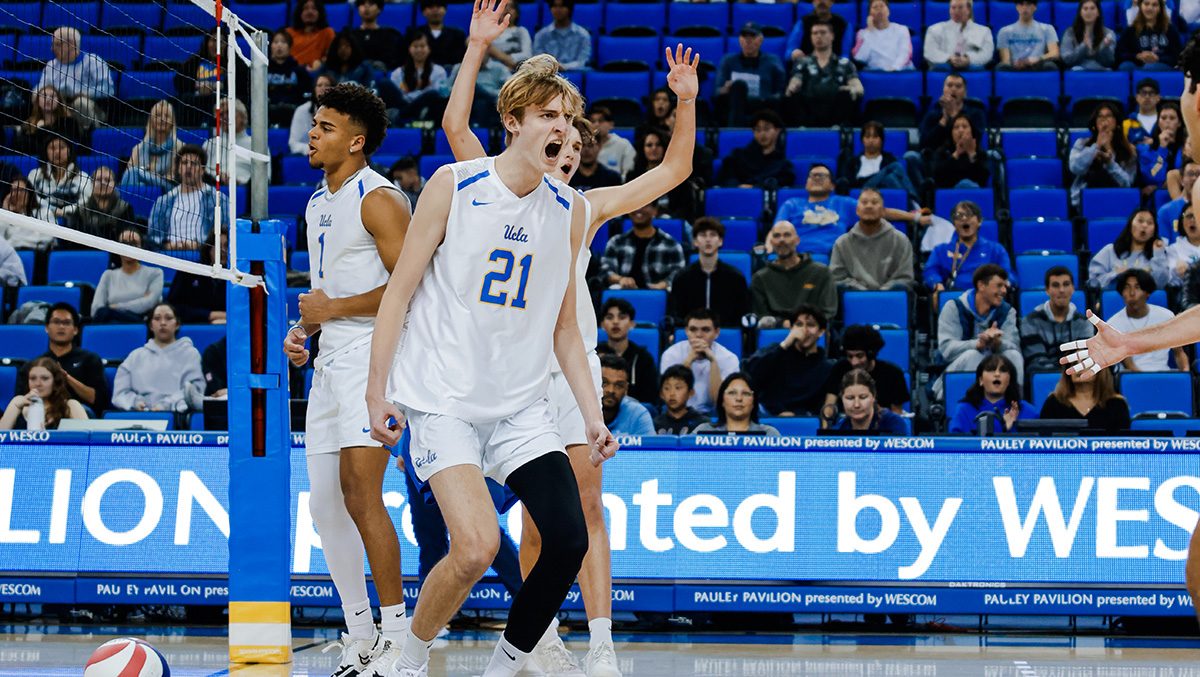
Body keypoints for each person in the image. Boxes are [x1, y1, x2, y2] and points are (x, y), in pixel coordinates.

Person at [440, 26, 699, 674]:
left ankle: (603, 642)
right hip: (516, 371)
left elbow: (674, 169)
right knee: (536, 522)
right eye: (558, 135)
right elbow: (455, 125)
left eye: (577, 142)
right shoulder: (489, 186)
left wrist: (686, 100)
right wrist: (476, 50)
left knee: (587, 506)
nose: (568, 145)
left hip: (572, 365)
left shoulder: (584, 207)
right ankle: (541, 636)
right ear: (531, 135)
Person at [364, 47, 619, 677]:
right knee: (475, 546)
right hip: (444, 398)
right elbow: (399, 292)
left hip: (520, 406)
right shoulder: (457, 184)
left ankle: (504, 666)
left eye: (567, 117)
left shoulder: (569, 212)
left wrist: (591, 416)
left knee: (566, 540)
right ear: (512, 120)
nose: (560, 127)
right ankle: (411, 653)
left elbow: (564, 329)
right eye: (547, 115)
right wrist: (376, 393)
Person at [280, 83, 414, 676]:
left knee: (362, 496)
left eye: (326, 127)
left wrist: (331, 312)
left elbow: (411, 289)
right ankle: (358, 633)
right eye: (315, 123)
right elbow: (326, 293)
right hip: (331, 361)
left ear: (357, 141)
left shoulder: (379, 198)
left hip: (372, 363)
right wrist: (303, 329)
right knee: (324, 507)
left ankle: (397, 632)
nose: (313, 133)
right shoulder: (316, 203)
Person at [936, 264, 1024, 396]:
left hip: (995, 367)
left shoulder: (1007, 311)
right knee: (974, 355)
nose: (1004, 290)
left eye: (1005, 286)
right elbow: (946, 350)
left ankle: (1014, 405)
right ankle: (968, 407)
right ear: (981, 286)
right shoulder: (953, 307)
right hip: (953, 372)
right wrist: (977, 344)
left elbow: (1015, 346)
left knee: (1014, 356)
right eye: (999, 285)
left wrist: (998, 344)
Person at [112, 303, 205, 414]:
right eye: (157, 318)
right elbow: (120, 393)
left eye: (169, 318)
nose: (163, 323)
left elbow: (194, 392)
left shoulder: (191, 354)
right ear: (151, 325)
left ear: (177, 324)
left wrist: (166, 405)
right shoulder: (135, 356)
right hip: (139, 417)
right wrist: (135, 403)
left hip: (177, 419)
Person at [14, 303, 107, 413]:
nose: (61, 327)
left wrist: (67, 378)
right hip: (40, 412)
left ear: (76, 330)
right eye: (56, 322)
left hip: (78, 415)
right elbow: (21, 400)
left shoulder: (90, 360)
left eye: (66, 323)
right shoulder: (34, 365)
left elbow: (98, 400)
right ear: (47, 328)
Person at [745, 304, 834, 417]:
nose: (804, 330)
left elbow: (820, 406)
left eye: (810, 325)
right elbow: (751, 376)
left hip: (805, 422)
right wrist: (785, 344)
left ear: (821, 331)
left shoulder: (826, 367)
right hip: (769, 417)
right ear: (791, 328)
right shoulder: (776, 351)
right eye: (799, 324)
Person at [751, 221, 838, 325]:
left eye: (787, 235)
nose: (782, 240)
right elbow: (761, 316)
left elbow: (828, 310)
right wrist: (782, 323)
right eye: (776, 236)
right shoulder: (760, 278)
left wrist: (802, 324)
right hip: (775, 332)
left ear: (797, 240)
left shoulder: (821, 273)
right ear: (772, 242)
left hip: (812, 331)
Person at [668, 217, 751, 325]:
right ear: (695, 242)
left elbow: (742, 315)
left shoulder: (736, 278)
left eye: (712, 235)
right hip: (691, 336)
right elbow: (676, 314)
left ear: (720, 241)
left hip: (726, 335)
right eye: (703, 235)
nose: (708, 239)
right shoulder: (682, 277)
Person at [829, 189, 915, 291]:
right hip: (854, 298)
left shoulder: (901, 240)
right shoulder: (842, 243)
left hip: (891, 299)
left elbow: (904, 277)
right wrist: (862, 292)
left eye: (874, 202)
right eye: (864, 202)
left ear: (883, 211)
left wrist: (880, 294)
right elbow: (837, 277)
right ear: (857, 210)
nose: (869, 206)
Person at [783, 20, 863, 128]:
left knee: (847, 96)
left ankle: (838, 128)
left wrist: (854, 89)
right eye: (815, 33)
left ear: (832, 36)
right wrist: (793, 86)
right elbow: (795, 80)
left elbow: (858, 87)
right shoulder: (802, 62)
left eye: (823, 32)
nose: (818, 36)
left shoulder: (845, 63)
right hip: (809, 111)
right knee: (792, 96)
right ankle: (802, 129)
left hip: (835, 110)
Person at [660, 309, 740, 416]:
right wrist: (689, 360)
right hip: (679, 412)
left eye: (705, 330)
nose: (698, 335)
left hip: (714, 413)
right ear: (686, 331)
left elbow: (721, 402)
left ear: (716, 333)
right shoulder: (671, 354)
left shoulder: (729, 358)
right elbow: (670, 396)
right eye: (693, 329)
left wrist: (713, 362)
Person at [821, 324, 911, 418]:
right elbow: (829, 406)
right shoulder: (839, 369)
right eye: (850, 356)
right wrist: (825, 427)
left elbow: (896, 414)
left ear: (871, 354)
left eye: (859, 356)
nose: (854, 362)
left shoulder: (893, 374)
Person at [147, 145, 226, 251]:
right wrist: (167, 245)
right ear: (179, 169)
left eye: (194, 164)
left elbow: (224, 233)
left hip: (203, 256)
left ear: (202, 170)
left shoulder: (217, 199)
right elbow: (153, 237)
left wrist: (200, 245)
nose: (189, 167)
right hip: (170, 254)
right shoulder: (163, 201)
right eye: (184, 163)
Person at [1106, 268, 1187, 371]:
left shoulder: (1166, 317)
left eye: (1137, 287)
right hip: (1131, 378)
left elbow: (1179, 353)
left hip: (1163, 374)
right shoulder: (1113, 325)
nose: (1132, 293)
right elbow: (1130, 366)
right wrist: (1147, 380)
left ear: (1147, 293)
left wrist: (1186, 374)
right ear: (1122, 293)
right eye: (1127, 288)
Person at [922, 201, 1012, 293]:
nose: (964, 218)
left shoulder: (996, 250)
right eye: (959, 215)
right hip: (953, 298)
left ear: (979, 221)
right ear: (954, 223)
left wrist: (1005, 282)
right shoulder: (940, 250)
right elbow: (930, 271)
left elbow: (1007, 274)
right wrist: (936, 283)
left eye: (969, 214)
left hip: (986, 297)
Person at [1020, 266, 1095, 377]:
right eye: (1055, 285)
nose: (1061, 290)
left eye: (1066, 284)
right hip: (1045, 376)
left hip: (1075, 376)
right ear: (1047, 290)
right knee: (1034, 368)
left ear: (1073, 288)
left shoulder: (1084, 323)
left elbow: (1082, 356)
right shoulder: (1030, 321)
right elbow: (1036, 358)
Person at [773, 164, 859, 256]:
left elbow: (872, 215)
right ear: (806, 184)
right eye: (813, 176)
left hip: (833, 258)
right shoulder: (792, 204)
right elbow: (775, 231)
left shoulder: (844, 203)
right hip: (796, 257)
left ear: (832, 185)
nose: (817, 178)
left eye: (822, 176)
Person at [35, 27, 113, 128]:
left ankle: (88, 138)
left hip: (90, 107)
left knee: (80, 103)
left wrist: (86, 93)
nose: (52, 48)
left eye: (57, 44)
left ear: (72, 45)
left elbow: (108, 89)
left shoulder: (93, 61)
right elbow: (40, 88)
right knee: (40, 98)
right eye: (53, 44)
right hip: (60, 105)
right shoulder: (51, 65)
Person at [600, 201, 686, 290]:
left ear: (655, 210)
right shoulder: (616, 242)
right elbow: (606, 271)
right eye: (635, 204)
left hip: (657, 298)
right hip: (621, 296)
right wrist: (621, 279)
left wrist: (664, 284)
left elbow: (679, 273)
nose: (639, 209)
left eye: (645, 205)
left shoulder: (671, 244)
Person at [714, 22, 787, 127]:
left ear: (761, 39)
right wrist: (726, 88)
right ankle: (735, 130)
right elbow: (717, 92)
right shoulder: (728, 61)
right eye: (744, 36)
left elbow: (781, 92)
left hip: (764, 106)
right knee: (738, 86)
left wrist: (767, 99)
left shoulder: (773, 61)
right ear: (739, 39)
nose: (748, 40)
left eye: (753, 36)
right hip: (735, 106)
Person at [1069, 103, 1138, 209]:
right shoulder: (1082, 144)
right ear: (1095, 122)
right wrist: (1096, 146)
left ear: (1117, 122)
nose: (1104, 120)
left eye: (1108, 116)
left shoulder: (1129, 150)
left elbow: (1127, 183)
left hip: (1118, 200)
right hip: (1085, 201)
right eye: (1100, 116)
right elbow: (1075, 168)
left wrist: (1110, 162)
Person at [948, 354, 1038, 433]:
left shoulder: (1027, 411)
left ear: (1010, 380)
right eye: (991, 370)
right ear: (981, 380)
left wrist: (1010, 428)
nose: (997, 374)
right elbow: (955, 447)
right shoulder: (964, 410)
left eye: (1003, 370)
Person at [596, 298, 660, 406]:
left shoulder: (643, 358)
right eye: (609, 317)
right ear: (602, 324)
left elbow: (651, 399)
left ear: (632, 324)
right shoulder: (594, 355)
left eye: (622, 317)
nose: (615, 322)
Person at [91, 229, 163, 324]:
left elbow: (149, 303)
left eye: (134, 243)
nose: (129, 247)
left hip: (140, 323)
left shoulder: (155, 273)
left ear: (141, 247)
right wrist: (139, 301)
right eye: (124, 243)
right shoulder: (108, 275)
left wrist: (115, 307)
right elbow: (96, 309)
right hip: (111, 323)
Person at [1088, 209, 1170, 288]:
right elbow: (1094, 283)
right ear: (1130, 224)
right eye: (1140, 221)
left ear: (1154, 231)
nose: (1144, 225)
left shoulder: (1157, 254)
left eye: (1150, 223)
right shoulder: (1110, 250)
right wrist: (1116, 274)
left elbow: (1161, 284)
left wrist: (1158, 254)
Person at [0, 357, 87, 430]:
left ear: (55, 382)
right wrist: (17, 406)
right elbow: (1, 438)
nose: (38, 383)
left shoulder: (71, 406)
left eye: (45, 378)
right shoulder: (18, 402)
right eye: (33, 378)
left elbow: (90, 440)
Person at [717, 109, 794, 189]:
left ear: (777, 130)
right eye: (757, 129)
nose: (762, 134)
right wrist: (738, 186)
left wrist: (754, 188)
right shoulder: (737, 156)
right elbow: (726, 178)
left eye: (766, 129)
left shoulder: (782, 165)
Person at [1039, 368, 1130, 431]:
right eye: (1074, 363)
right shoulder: (1054, 401)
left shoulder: (1117, 404)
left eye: (1085, 363)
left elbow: (1123, 444)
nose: (1078, 368)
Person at [166, 231, 227, 325]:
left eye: (226, 246)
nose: (223, 250)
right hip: (191, 325)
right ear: (209, 248)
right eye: (218, 245)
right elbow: (173, 307)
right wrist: (210, 315)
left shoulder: (238, 279)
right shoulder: (189, 271)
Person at [60, 166, 133, 243]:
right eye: (98, 180)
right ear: (91, 183)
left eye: (107, 180)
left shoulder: (125, 208)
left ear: (114, 184)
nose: (103, 183)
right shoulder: (80, 210)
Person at [693, 373, 781, 435]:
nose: (739, 398)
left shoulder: (768, 434)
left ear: (754, 402)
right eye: (732, 393)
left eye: (746, 394)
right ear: (722, 401)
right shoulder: (703, 432)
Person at [389, 33, 448, 122]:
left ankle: (403, 115)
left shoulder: (439, 71)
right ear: (409, 49)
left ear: (429, 49)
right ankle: (406, 114)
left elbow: (437, 95)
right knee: (385, 84)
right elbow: (397, 96)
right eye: (415, 46)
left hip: (427, 108)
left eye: (422, 46)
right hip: (404, 103)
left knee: (433, 94)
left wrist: (414, 97)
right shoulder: (398, 73)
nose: (419, 50)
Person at [28, 136, 90, 219]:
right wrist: (52, 210)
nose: (57, 152)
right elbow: (30, 197)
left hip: (74, 221)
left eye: (62, 147)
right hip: (41, 219)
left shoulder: (83, 177)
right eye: (52, 148)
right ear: (46, 152)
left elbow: (86, 201)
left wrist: (65, 211)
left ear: (70, 151)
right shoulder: (35, 174)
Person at [120, 100, 178, 189]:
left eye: (166, 116)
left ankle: (125, 201)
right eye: (158, 115)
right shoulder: (138, 148)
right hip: (142, 187)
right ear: (151, 119)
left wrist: (153, 175)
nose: (162, 119)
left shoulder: (179, 146)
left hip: (166, 188)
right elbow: (128, 175)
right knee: (140, 184)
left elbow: (175, 177)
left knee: (134, 173)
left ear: (172, 121)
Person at [14, 84, 85, 157]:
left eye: (52, 96)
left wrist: (43, 129)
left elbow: (66, 145)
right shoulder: (28, 125)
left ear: (59, 101)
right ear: (37, 100)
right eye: (44, 96)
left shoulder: (69, 123)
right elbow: (23, 147)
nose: (48, 99)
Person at [923, 0, 995, 70]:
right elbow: (929, 52)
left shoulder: (984, 31)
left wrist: (968, 59)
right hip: (945, 69)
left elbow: (987, 54)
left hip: (971, 69)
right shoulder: (934, 29)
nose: (956, 11)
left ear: (969, 10)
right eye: (953, 8)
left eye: (960, 7)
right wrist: (949, 58)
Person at [833, 369, 907, 434]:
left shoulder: (894, 423)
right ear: (842, 398)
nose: (856, 405)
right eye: (850, 398)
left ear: (873, 396)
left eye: (863, 397)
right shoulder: (839, 427)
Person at [1137, 101, 1187, 195]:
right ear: (1158, 122)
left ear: (1179, 123)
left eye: (1172, 118)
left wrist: (1165, 185)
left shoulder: (1187, 148)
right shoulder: (1146, 150)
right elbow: (1155, 176)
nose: (1167, 121)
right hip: (1156, 196)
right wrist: (1162, 148)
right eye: (1163, 118)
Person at [1117, 0, 1182, 69]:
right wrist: (1137, 56)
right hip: (1137, 64)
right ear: (1140, 6)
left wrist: (1158, 58)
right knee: (1125, 67)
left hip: (1160, 65)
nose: (1150, 8)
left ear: (1160, 8)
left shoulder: (1171, 30)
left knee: (1149, 67)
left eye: (1154, 5)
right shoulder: (1130, 30)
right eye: (1146, 4)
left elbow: (1177, 56)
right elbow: (1119, 54)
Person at [852, 0, 915, 71]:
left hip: (900, 72)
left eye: (882, 6)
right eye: (875, 7)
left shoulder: (902, 29)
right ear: (869, 13)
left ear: (888, 10)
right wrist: (869, 32)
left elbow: (905, 54)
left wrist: (894, 69)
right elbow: (860, 58)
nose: (879, 9)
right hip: (876, 72)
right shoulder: (863, 33)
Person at [996, 0, 1060, 70]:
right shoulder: (1005, 31)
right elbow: (1006, 60)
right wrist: (1017, 64)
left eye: (1028, 4)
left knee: (1050, 66)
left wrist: (1037, 59)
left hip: (1038, 66)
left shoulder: (1047, 29)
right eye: (1021, 4)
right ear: (1017, 7)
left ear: (1035, 7)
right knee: (1001, 67)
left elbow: (1054, 53)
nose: (1024, 8)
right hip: (1015, 67)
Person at [600, 355, 655, 435]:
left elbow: (649, 447)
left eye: (619, 385)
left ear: (626, 389)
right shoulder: (578, 410)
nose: (611, 390)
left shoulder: (638, 414)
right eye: (604, 383)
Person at [931, 113, 990, 189]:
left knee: (966, 184)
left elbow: (984, 180)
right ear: (951, 133)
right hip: (949, 195)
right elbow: (938, 177)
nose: (961, 130)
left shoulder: (980, 154)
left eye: (965, 127)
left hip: (974, 197)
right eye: (956, 127)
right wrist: (956, 155)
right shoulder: (942, 152)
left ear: (972, 131)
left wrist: (971, 154)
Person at [408, 0, 469, 69]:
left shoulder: (458, 34)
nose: (435, 10)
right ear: (423, 12)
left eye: (439, 6)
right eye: (430, 7)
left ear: (445, 10)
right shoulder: (413, 33)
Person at [0, 176, 56, 249]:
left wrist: (17, 242)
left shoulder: (44, 212)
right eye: (13, 190)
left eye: (21, 190)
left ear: (29, 193)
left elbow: (48, 238)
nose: (17, 194)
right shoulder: (6, 215)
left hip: (39, 256)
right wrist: (5, 212)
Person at [532, 0, 591, 70]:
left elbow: (582, 61)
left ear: (569, 9)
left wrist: (564, 67)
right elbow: (538, 60)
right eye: (554, 6)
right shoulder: (541, 35)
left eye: (562, 6)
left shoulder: (582, 34)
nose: (558, 10)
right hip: (548, 75)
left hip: (574, 74)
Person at [1061, 0, 1118, 70]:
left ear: (1098, 13)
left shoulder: (1109, 34)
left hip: (1102, 70)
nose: (1089, 12)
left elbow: (1109, 62)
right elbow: (1067, 59)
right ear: (1080, 13)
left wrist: (1104, 48)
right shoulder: (1070, 32)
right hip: (1078, 70)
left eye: (1092, 8)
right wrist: (1083, 46)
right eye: (1085, 9)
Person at [653, 365, 708, 435]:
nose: (672, 393)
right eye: (667, 388)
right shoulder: (653, 425)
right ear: (661, 394)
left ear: (691, 392)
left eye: (678, 388)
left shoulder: (703, 424)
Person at [289, 73, 337, 155]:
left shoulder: (340, 112)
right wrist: (315, 149)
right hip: (307, 158)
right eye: (319, 85)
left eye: (327, 85)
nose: (323, 89)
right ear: (314, 89)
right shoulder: (301, 111)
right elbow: (293, 144)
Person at [352, 0, 405, 72]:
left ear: (379, 9)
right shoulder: (351, 35)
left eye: (371, 3)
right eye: (362, 4)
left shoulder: (390, 35)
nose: (366, 7)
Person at [267, 29, 314, 109]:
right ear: (270, 46)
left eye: (283, 42)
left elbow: (306, 96)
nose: (279, 45)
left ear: (290, 47)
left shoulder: (300, 71)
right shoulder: (264, 70)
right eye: (275, 42)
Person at [287, 0, 337, 71]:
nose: (310, 12)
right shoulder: (288, 33)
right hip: (292, 73)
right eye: (306, 8)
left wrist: (320, 63)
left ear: (320, 13)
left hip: (316, 73)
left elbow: (332, 57)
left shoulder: (327, 32)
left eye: (314, 9)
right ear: (299, 12)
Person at [589, 106, 636, 180]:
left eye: (601, 121)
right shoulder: (584, 146)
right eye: (593, 121)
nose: (596, 124)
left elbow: (628, 174)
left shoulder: (623, 145)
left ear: (611, 124)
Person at [490, 0, 532, 72]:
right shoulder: (491, 30)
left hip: (517, 70)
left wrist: (505, 58)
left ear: (517, 13)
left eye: (511, 7)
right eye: (504, 6)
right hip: (493, 71)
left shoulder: (521, 31)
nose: (507, 9)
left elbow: (527, 55)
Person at [1169, 202, 1200, 286]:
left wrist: (1189, 270)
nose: (1192, 220)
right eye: (1189, 216)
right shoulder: (1173, 249)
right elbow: (1170, 281)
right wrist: (1177, 271)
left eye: (1197, 216)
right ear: (1182, 222)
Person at [1126, 77, 1163, 145]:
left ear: (1158, 97)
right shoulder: (1127, 124)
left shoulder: (1165, 121)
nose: (1147, 97)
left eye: (1151, 93)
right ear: (1137, 97)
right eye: (1143, 93)